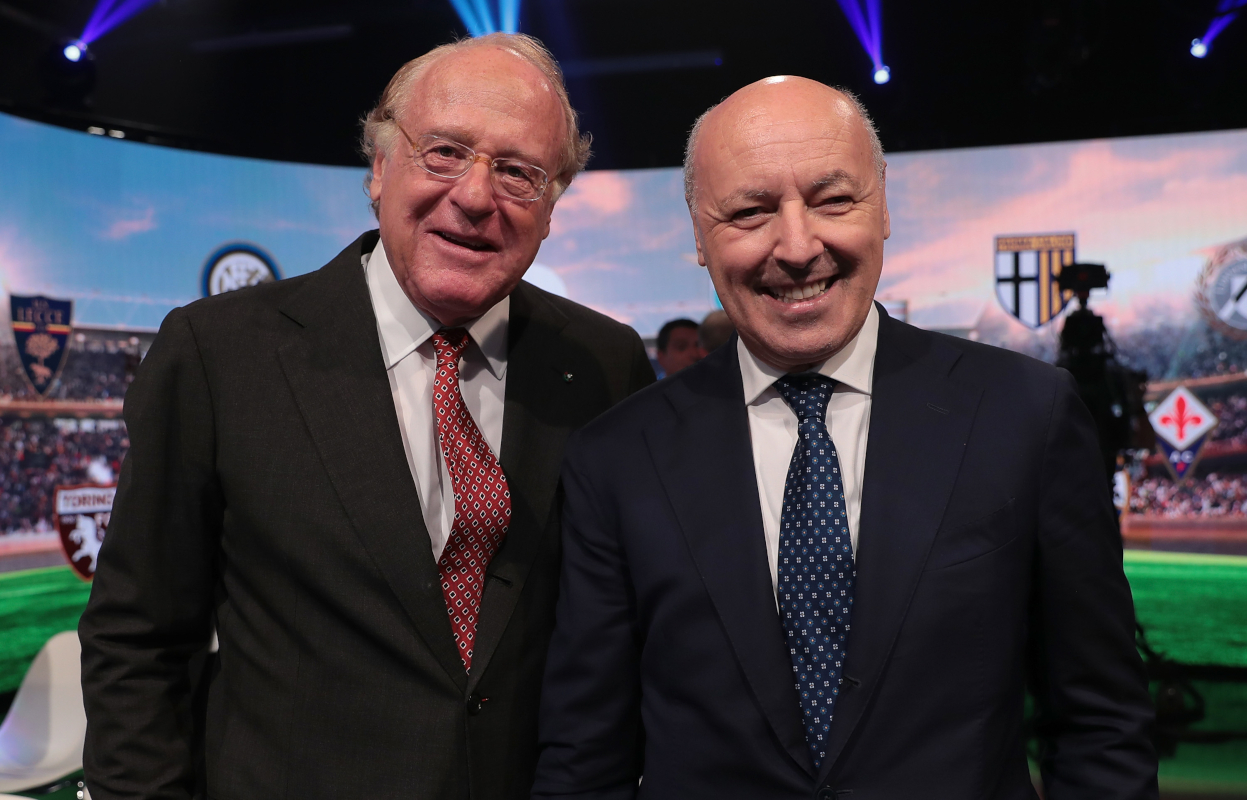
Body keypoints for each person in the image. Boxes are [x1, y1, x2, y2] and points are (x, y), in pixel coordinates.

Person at [533, 76, 1156, 799]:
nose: (797, 247)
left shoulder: (1024, 414)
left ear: (882, 207)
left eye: (832, 200)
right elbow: (586, 759)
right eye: (749, 211)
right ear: (699, 237)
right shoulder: (617, 456)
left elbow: (1100, 723)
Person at [79, 33, 654, 800]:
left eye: (518, 172)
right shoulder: (219, 354)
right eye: (444, 152)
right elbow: (139, 640)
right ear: (379, 167)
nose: (475, 196)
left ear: (550, 208)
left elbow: (615, 640)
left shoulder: (604, 364)